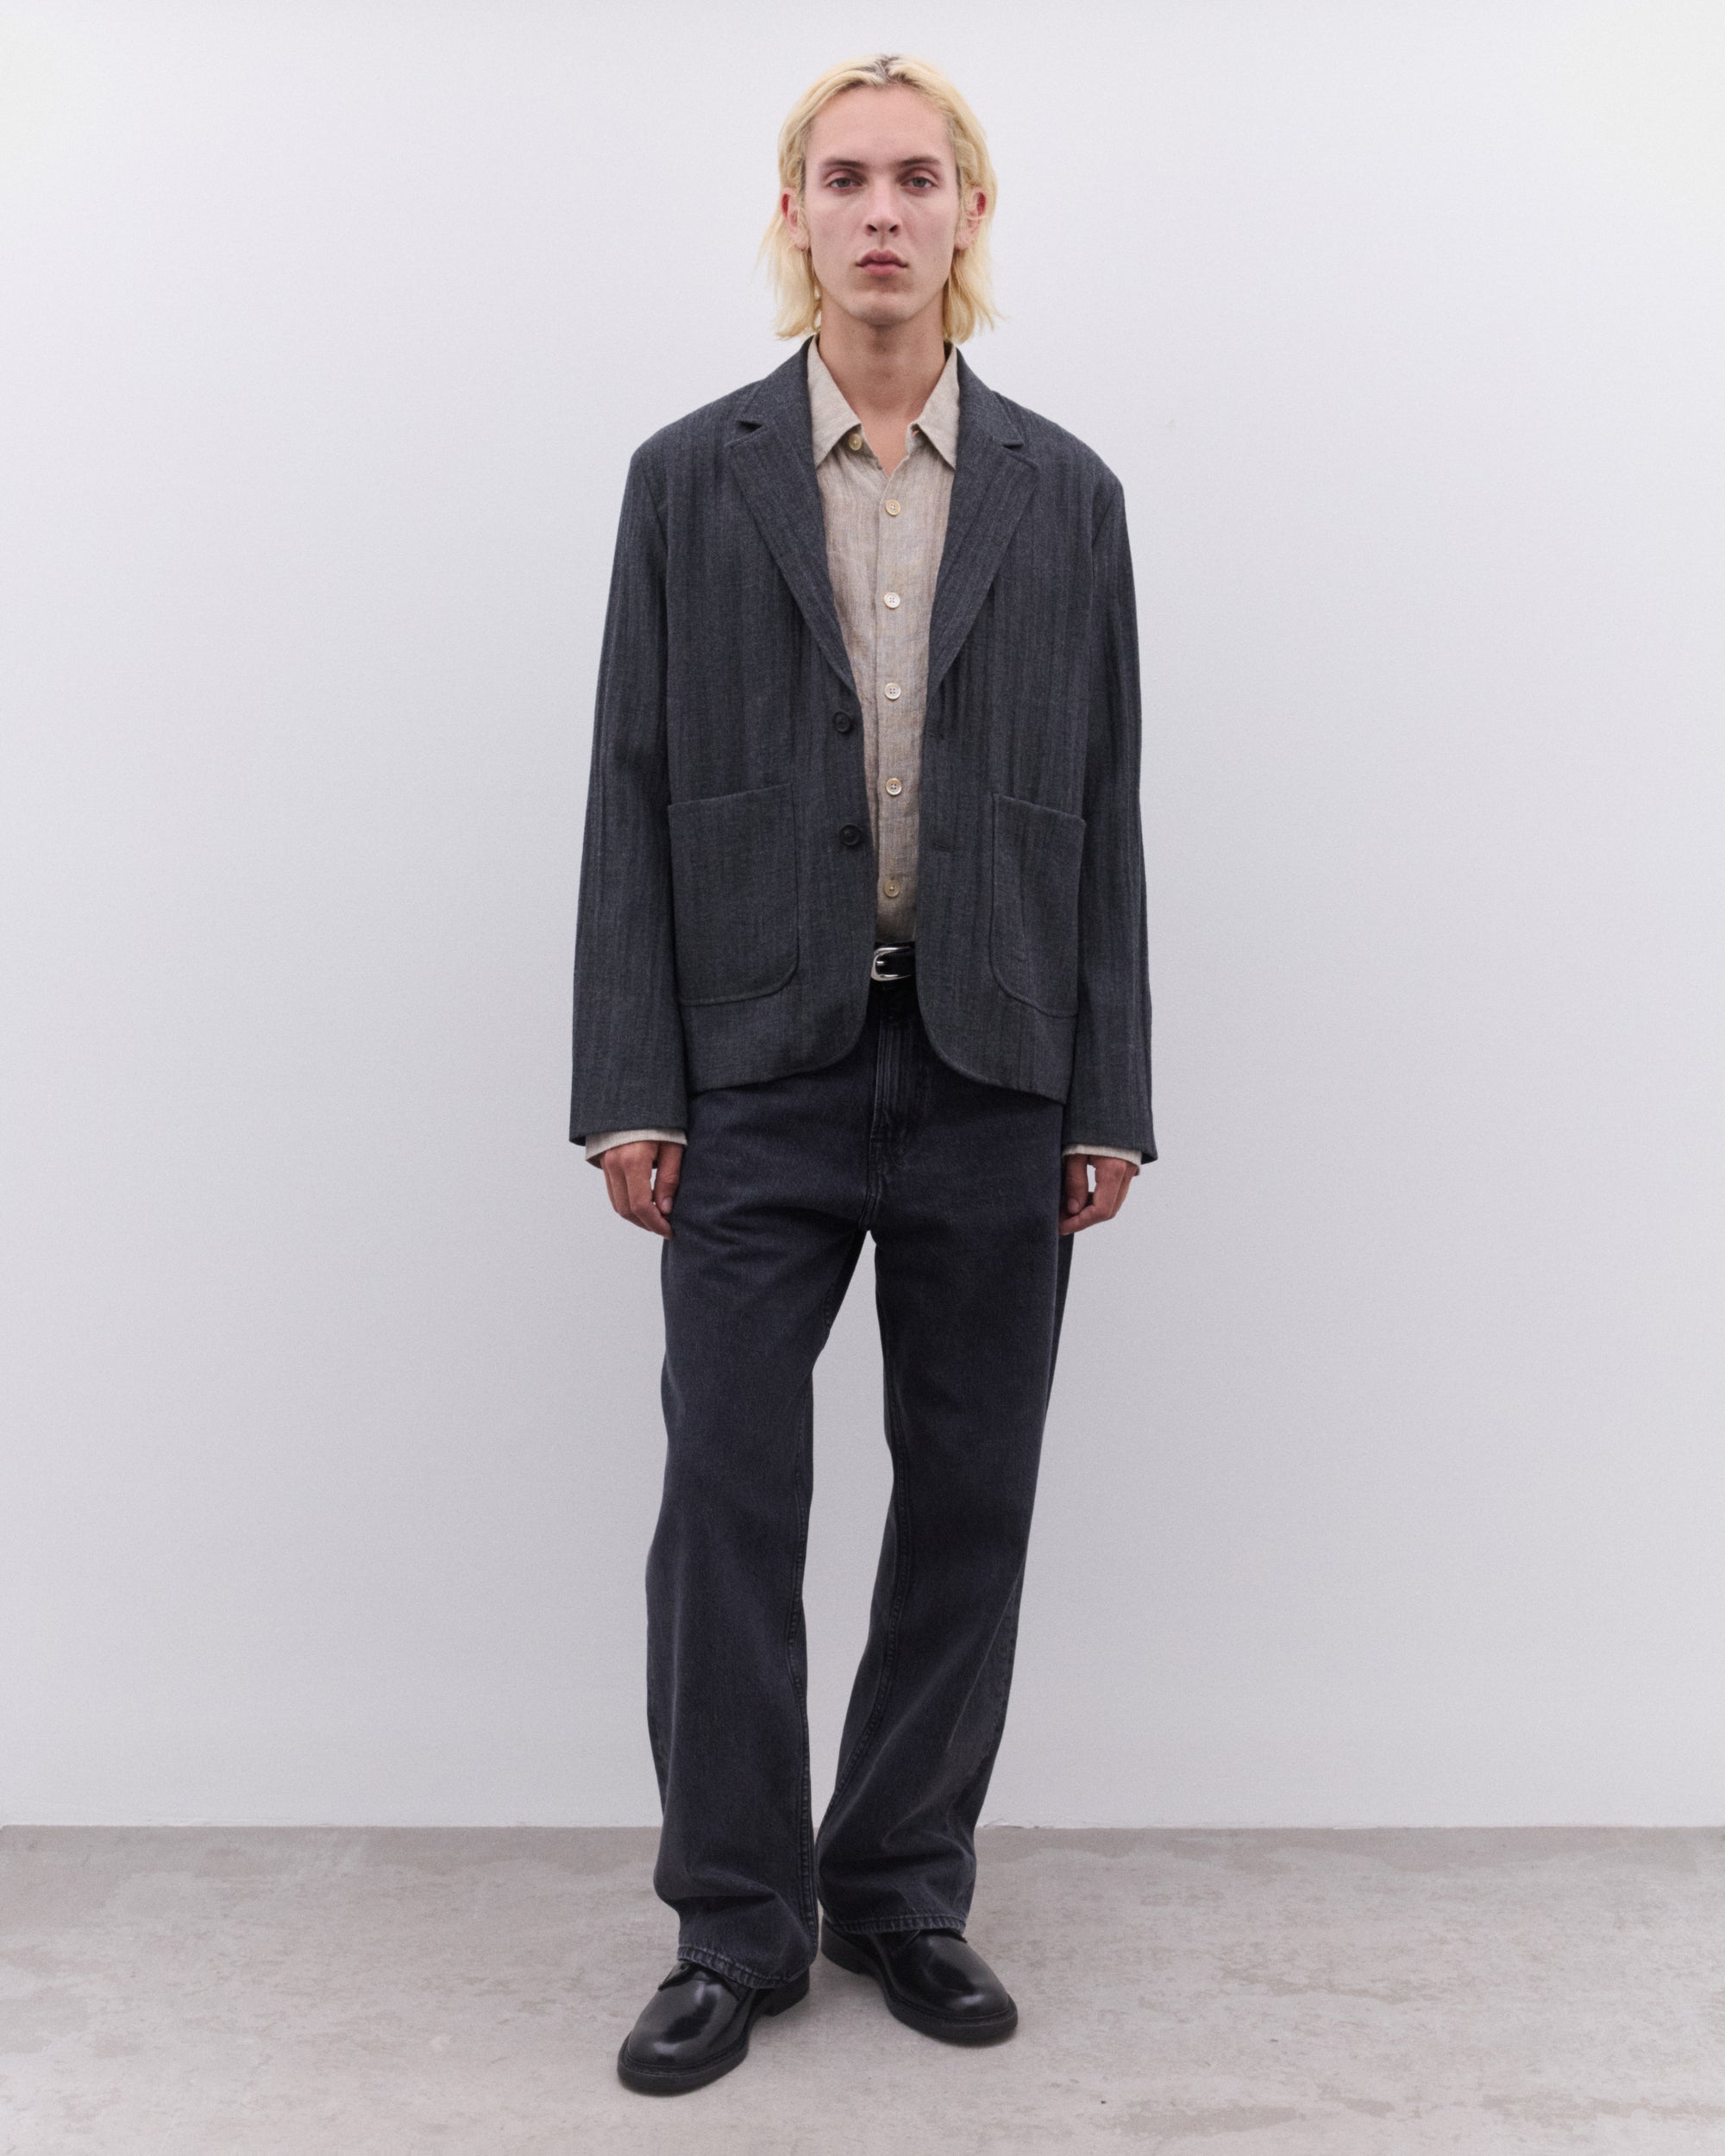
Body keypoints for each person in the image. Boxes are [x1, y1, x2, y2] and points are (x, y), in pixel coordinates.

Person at [569, 52, 1154, 2096]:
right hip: (755, 1073)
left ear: (967, 213)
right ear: (794, 214)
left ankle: (900, 1881)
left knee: (970, 1495)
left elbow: (1103, 802)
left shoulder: (1066, 494)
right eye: (845, 179)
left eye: (918, 178)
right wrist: (633, 1082)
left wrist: (1105, 1092)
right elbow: (631, 779)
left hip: (995, 1064)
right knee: (728, 1495)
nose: (882, 211)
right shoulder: (689, 476)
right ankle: (735, 1918)